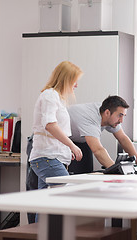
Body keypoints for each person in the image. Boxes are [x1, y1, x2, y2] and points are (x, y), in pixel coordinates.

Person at [29, 61, 83, 190]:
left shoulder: (57, 98)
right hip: (47, 157)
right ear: (66, 79)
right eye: (74, 81)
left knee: (45, 204)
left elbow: (54, 128)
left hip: (51, 157)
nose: (76, 85)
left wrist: (66, 149)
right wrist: (72, 146)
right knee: (67, 193)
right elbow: (50, 125)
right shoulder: (50, 95)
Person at [67, 95, 137, 174]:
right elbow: (98, 150)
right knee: (75, 175)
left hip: (81, 139)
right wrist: (118, 170)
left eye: (123, 116)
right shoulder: (90, 118)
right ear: (107, 113)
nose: (121, 121)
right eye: (120, 116)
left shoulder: (108, 113)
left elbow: (123, 138)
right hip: (63, 140)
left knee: (86, 172)